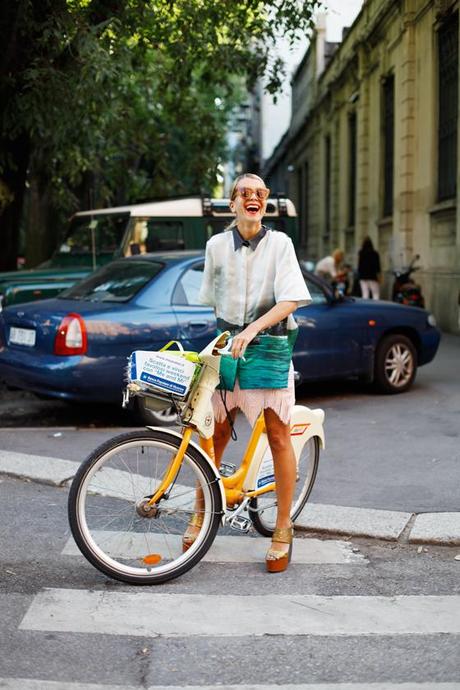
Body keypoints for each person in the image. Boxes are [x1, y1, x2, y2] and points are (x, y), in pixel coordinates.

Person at [184, 172, 312, 573]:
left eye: (259, 193)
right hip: (227, 347)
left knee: (277, 435)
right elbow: (212, 300)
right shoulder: (216, 247)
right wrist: (227, 338)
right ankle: (202, 513)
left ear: (266, 201)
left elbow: (291, 298)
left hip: (270, 346)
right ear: (233, 203)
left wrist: (254, 328)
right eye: (245, 193)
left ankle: (283, 527)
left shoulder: (281, 244)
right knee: (214, 433)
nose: (252, 198)